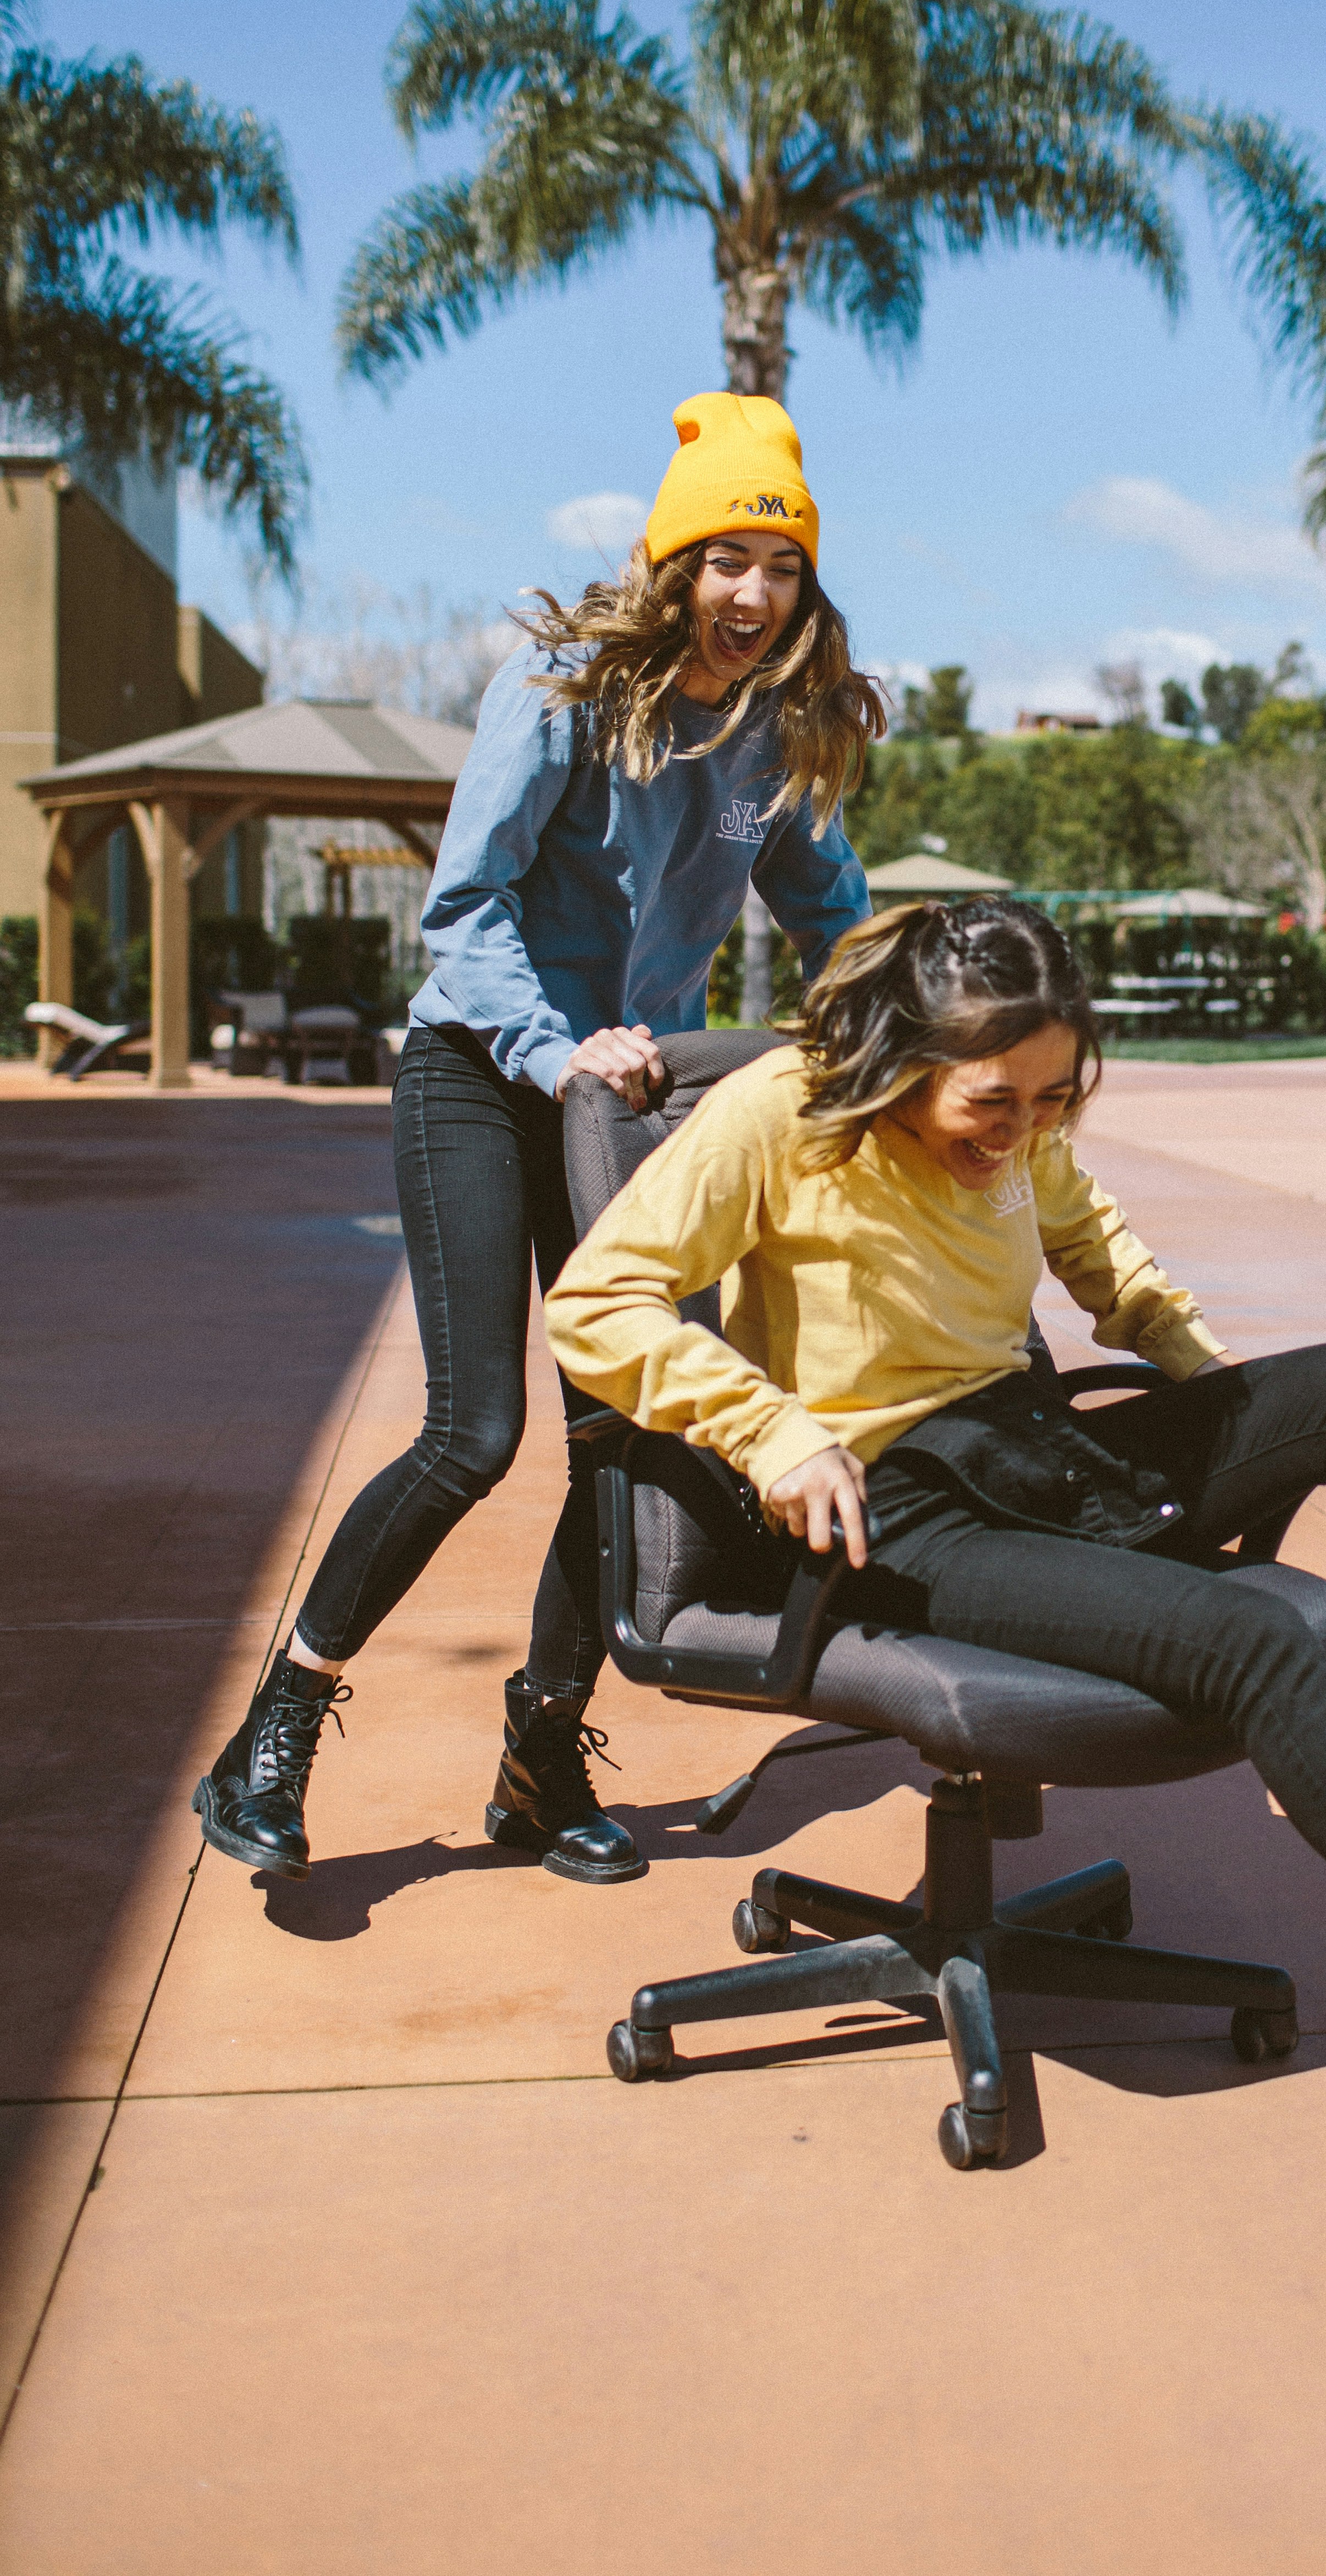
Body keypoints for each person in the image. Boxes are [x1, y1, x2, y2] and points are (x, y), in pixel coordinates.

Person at [544, 898, 1326, 2137]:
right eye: (994, 1103)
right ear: (907, 1059)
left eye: (1052, 1103)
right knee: (1257, 1641)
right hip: (895, 1511)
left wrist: (1228, 1409)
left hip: (1031, 1449)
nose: (1022, 1134)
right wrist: (770, 1428)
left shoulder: (1018, 1118)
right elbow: (596, 1304)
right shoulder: (785, 1115)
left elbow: (1106, 1258)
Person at [195, 394, 884, 1886]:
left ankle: (540, 1748)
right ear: (673, 565)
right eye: (724, 559)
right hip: (481, 1069)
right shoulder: (564, 688)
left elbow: (834, 912)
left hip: (620, 1108)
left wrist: (922, 1017)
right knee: (474, 1434)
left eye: (779, 566)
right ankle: (278, 1722)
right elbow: (468, 904)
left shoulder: (773, 732)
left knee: (621, 1440)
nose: (751, 595)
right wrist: (557, 1043)